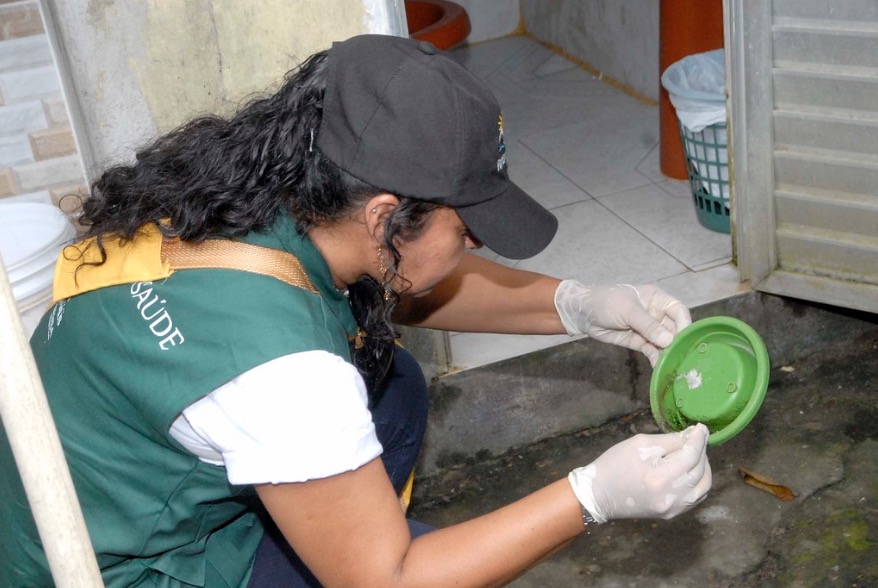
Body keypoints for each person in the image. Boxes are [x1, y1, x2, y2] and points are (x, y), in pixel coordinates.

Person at [0, 34, 711, 587]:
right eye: (465, 229)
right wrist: (592, 495)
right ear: (384, 218)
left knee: (392, 383)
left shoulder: (247, 193)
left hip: (76, 495)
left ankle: (340, 523)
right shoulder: (286, 377)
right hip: (115, 567)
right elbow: (387, 580)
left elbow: (397, 283)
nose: (476, 243)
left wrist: (578, 306)